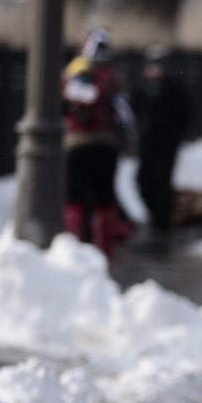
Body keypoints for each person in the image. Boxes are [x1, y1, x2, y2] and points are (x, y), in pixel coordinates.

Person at [61, 28, 136, 256]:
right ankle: (102, 251)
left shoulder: (71, 74)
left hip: (75, 145)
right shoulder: (111, 78)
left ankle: (73, 248)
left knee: (75, 199)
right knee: (104, 199)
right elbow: (125, 114)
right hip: (105, 146)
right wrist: (130, 141)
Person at [132, 45, 192, 235]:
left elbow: (185, 114)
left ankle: (162, 221)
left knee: (162, 180)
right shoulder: (141, 90)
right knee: (143, 180)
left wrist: (175, 134)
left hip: (167, 143)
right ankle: (155, 214)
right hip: (147, 143)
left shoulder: (174, 90)